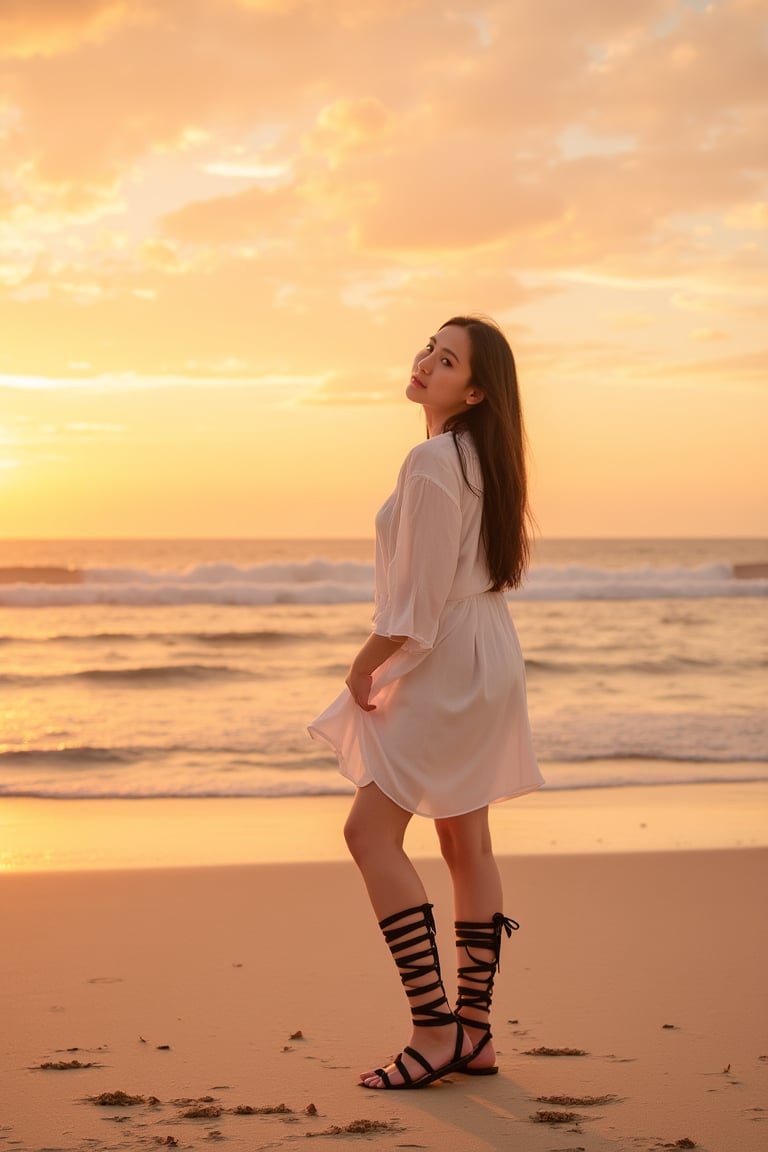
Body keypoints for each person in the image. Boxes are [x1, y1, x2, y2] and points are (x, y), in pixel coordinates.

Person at [309, 315, 543, 1090]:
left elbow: (415, 605)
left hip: (446, 662)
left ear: (473, 391)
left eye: (446, 362)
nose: (425, 364)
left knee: (369, 832)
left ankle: (433, 1029)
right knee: (464, 845)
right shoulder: (486, 459)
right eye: (429, 351)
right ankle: (472, 1033)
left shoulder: (434, 459)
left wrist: (363, 667)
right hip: (487, 654)